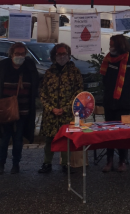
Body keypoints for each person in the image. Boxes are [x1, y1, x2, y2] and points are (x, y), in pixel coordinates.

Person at [0, 42, 39, 175]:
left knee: (18, 138)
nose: (20, 56)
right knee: (4, 137)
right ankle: (1, 163)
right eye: (17, 54)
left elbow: (35, 86)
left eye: (22, 54)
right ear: (11, 54)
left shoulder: (29, 67)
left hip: (23, 110)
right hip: (4, 111)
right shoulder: (1, 67)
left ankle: (16, 164)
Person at [100, 34, 130, 172]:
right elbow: (104, 79)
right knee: (109, 133)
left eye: (112, 45)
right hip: (109, 102)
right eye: (110, 45)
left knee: (122, 133)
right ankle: (109, 160)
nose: (110, 47)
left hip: (124, 103)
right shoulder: (108, 59)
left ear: (119, 45)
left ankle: (122, 161)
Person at [38, 43, 83, 173]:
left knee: (66, 139)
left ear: (69, 55)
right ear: (54, 55)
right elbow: (42, 93)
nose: (61, 56)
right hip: (50, 114)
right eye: (59, 54)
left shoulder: (75, 72)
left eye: (64, 54)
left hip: (67, 113)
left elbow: (78, 93)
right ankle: (47, 163)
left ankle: (65, 164)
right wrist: (51, 108)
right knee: (49, 140)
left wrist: (66, 108)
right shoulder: (49, 72)